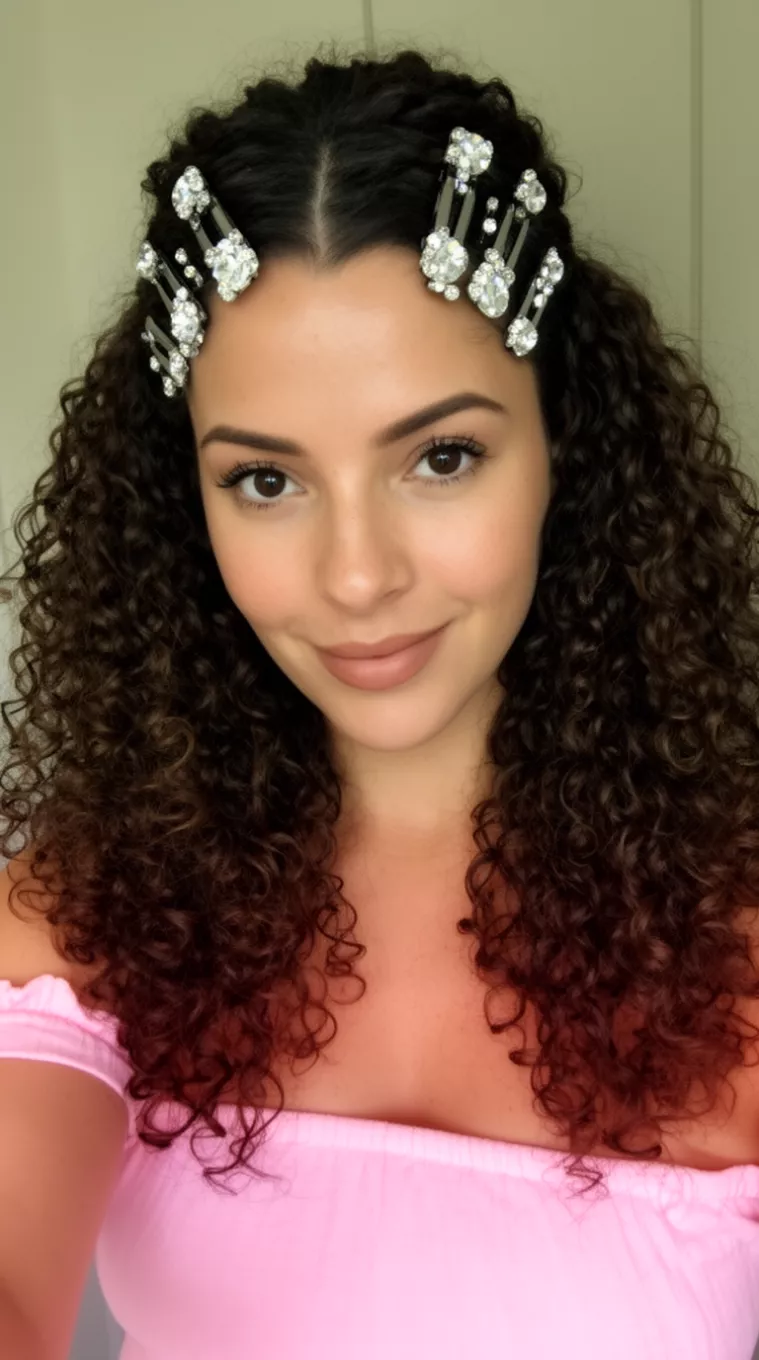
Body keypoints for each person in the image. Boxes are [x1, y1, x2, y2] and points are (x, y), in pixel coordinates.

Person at [1, 42, 759, 1360]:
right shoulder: (89, 917)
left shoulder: (735, 933)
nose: (357, 576)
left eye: (440, 457)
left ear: (563, 448)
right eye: (265, 481)